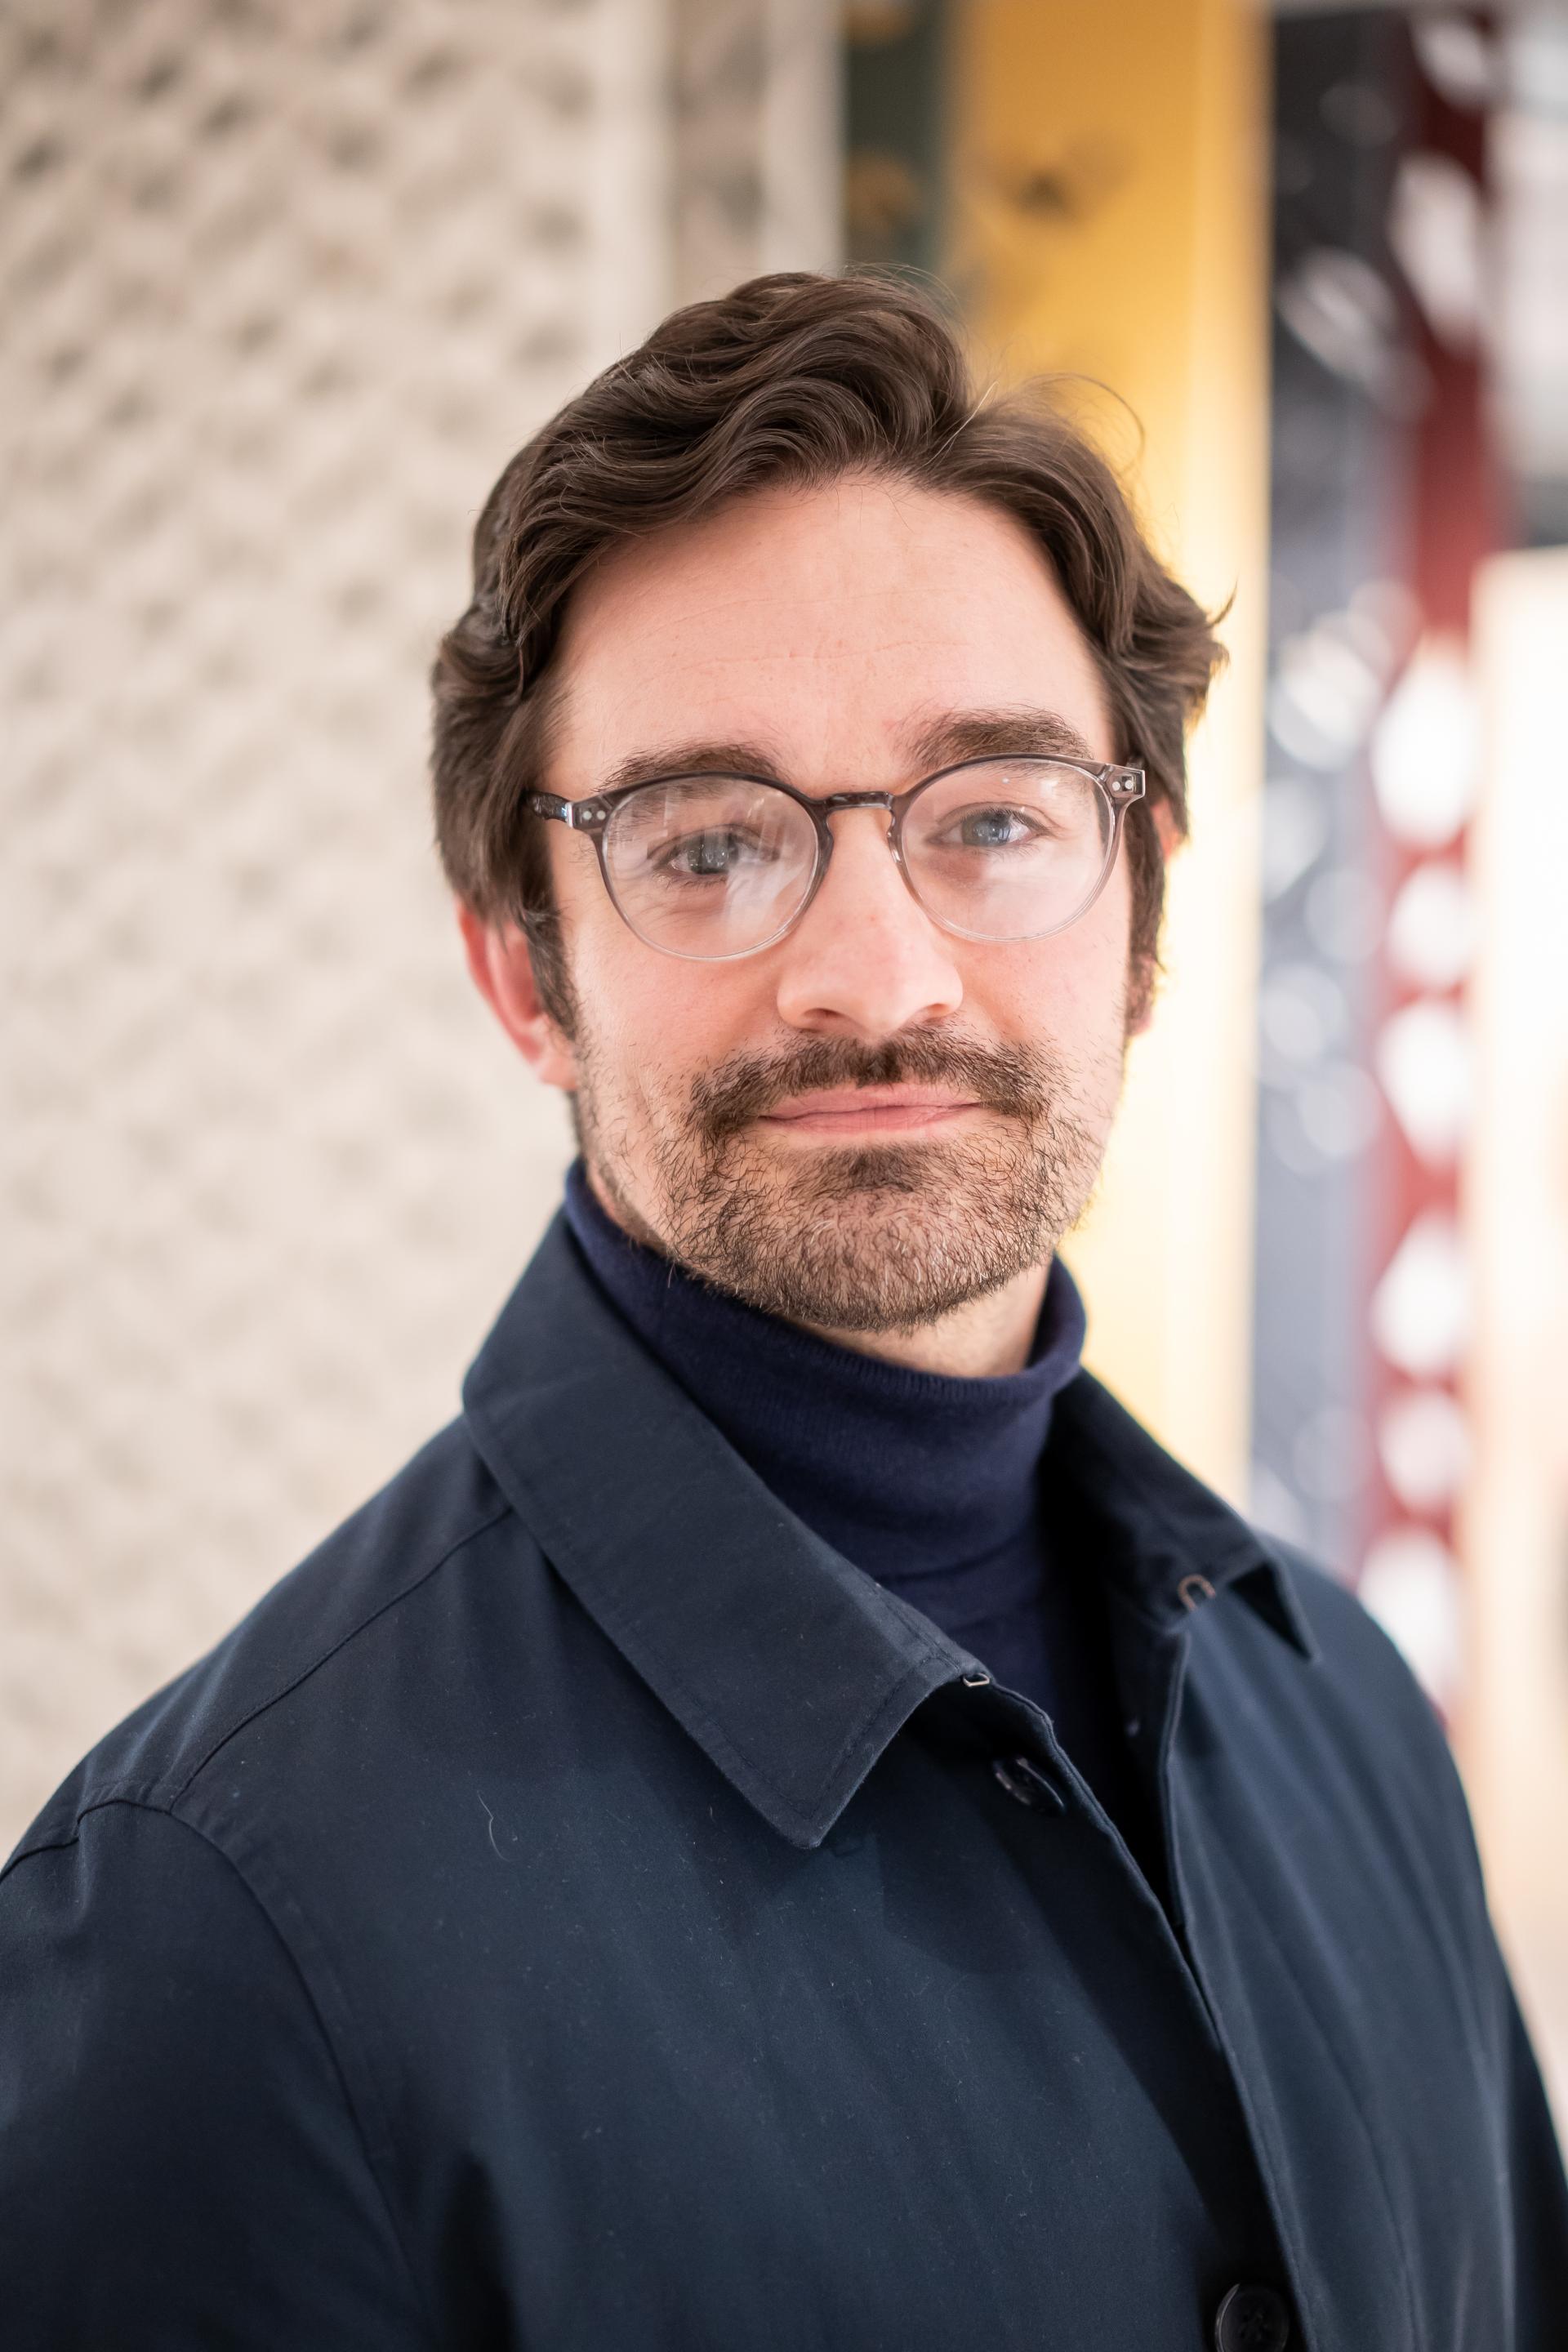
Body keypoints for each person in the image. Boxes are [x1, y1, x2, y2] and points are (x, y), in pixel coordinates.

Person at [1, 273, 1563, 2352]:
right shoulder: (208, 1929)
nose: (876, 971)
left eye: (995, 817)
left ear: (1145, 919)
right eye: (714, 844)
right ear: (524, 976)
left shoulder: (1348, 1706)